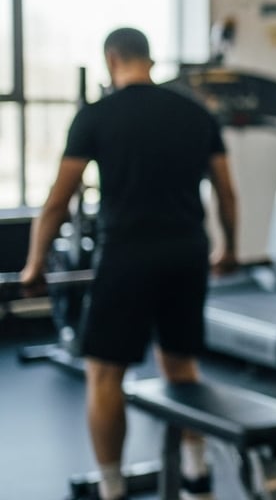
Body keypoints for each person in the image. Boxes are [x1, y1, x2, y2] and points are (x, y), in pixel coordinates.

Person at [20, 27, 238, 500]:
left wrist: (34, 264)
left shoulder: (97, 116)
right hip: (188, 252)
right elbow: (226, 191)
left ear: (111, 58)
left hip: (128, 255)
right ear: (150, 59)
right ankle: (197, 474)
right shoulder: (196, 112)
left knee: (104, 373)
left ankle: (113, 488)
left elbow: (59, 200)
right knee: (180, 367)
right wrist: (230, 249)